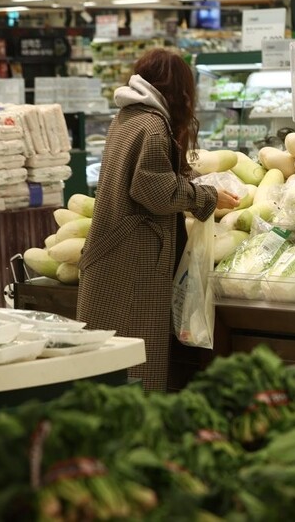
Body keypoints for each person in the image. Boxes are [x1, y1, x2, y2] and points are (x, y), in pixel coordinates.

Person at [77, 48, 239, 392]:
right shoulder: (152, 125)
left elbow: (150, 175)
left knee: (107, 369)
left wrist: (191, 182)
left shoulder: (127, 117)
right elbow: (154, 190)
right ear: (178, 88)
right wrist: (205, 197)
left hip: (113, 257)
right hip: (132, 263)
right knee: (136, 366)